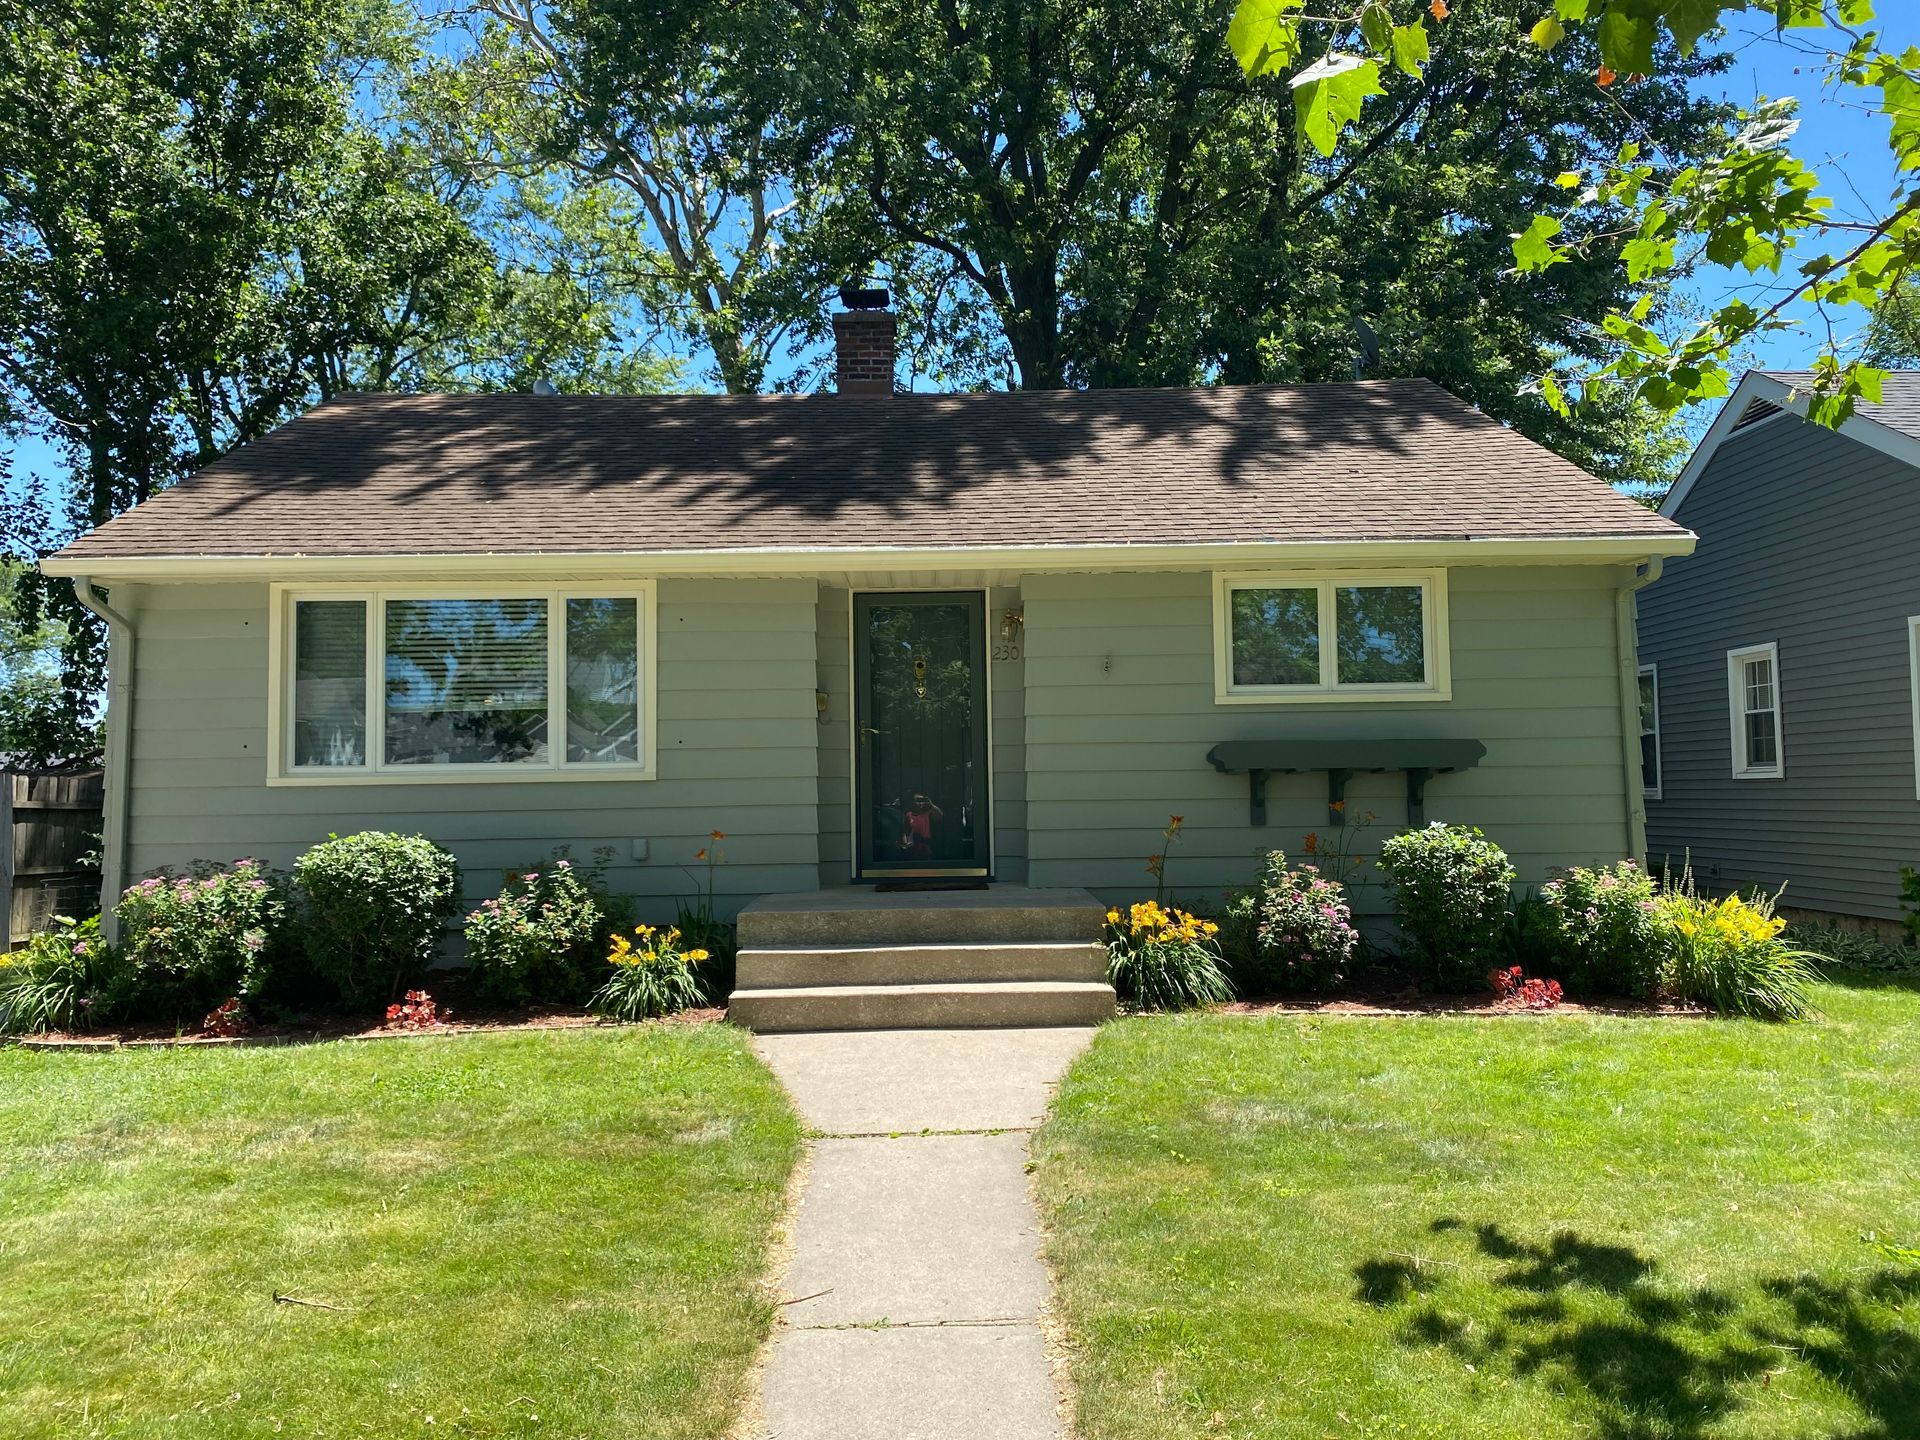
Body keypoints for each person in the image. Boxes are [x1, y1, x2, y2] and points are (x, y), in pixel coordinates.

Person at [899, 792, 943, 860]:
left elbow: (940, 816)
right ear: (913, 802)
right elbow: (905, 831)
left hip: (927, 848)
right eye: (918, 801)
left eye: (922, 801)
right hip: (913, 849)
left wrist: (931, 805)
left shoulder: (929, 813)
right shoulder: (909, 814)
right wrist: (905, 843)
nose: (921, 803)